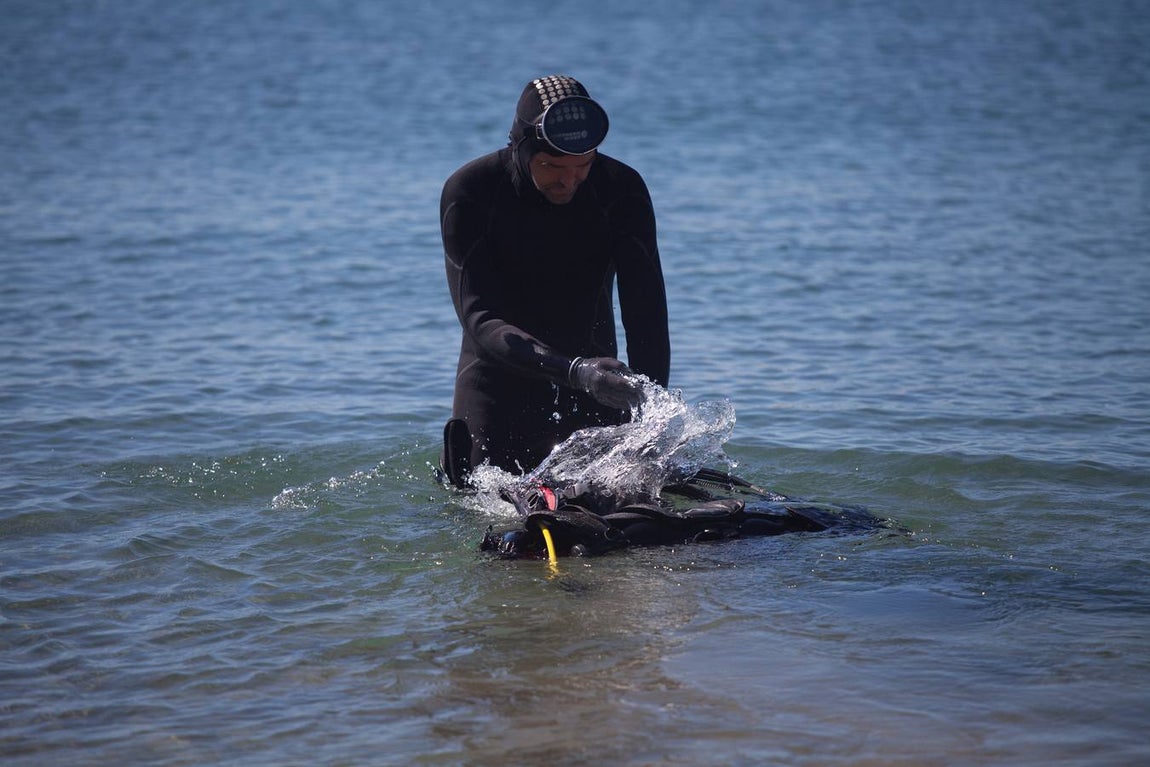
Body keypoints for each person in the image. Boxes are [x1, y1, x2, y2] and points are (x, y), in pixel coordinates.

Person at [440, 74, 671, 486]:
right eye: (551, 166)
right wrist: (576, 371)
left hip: (598, 393)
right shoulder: (471, 192)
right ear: (520, 148)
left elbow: (646, 315)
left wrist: (648, 418)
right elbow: (480, 318)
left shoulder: (622, 189)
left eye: (584, 165)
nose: (569, 181)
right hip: (496, 394)